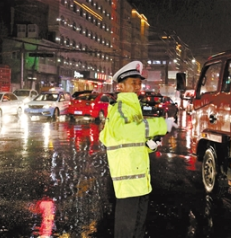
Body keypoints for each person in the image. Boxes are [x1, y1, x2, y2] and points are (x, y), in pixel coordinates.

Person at [99, 61, 177, 238]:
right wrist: (161, 124)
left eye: (138, 83)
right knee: (127, 231)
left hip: (139, 179)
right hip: (128, 181)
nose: (137, 86)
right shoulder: (120, 107)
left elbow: (129, 139)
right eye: (133, 82)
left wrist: (147, 145)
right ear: (121, 85)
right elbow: (126, 131)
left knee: (137, 229)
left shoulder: (132, 107)